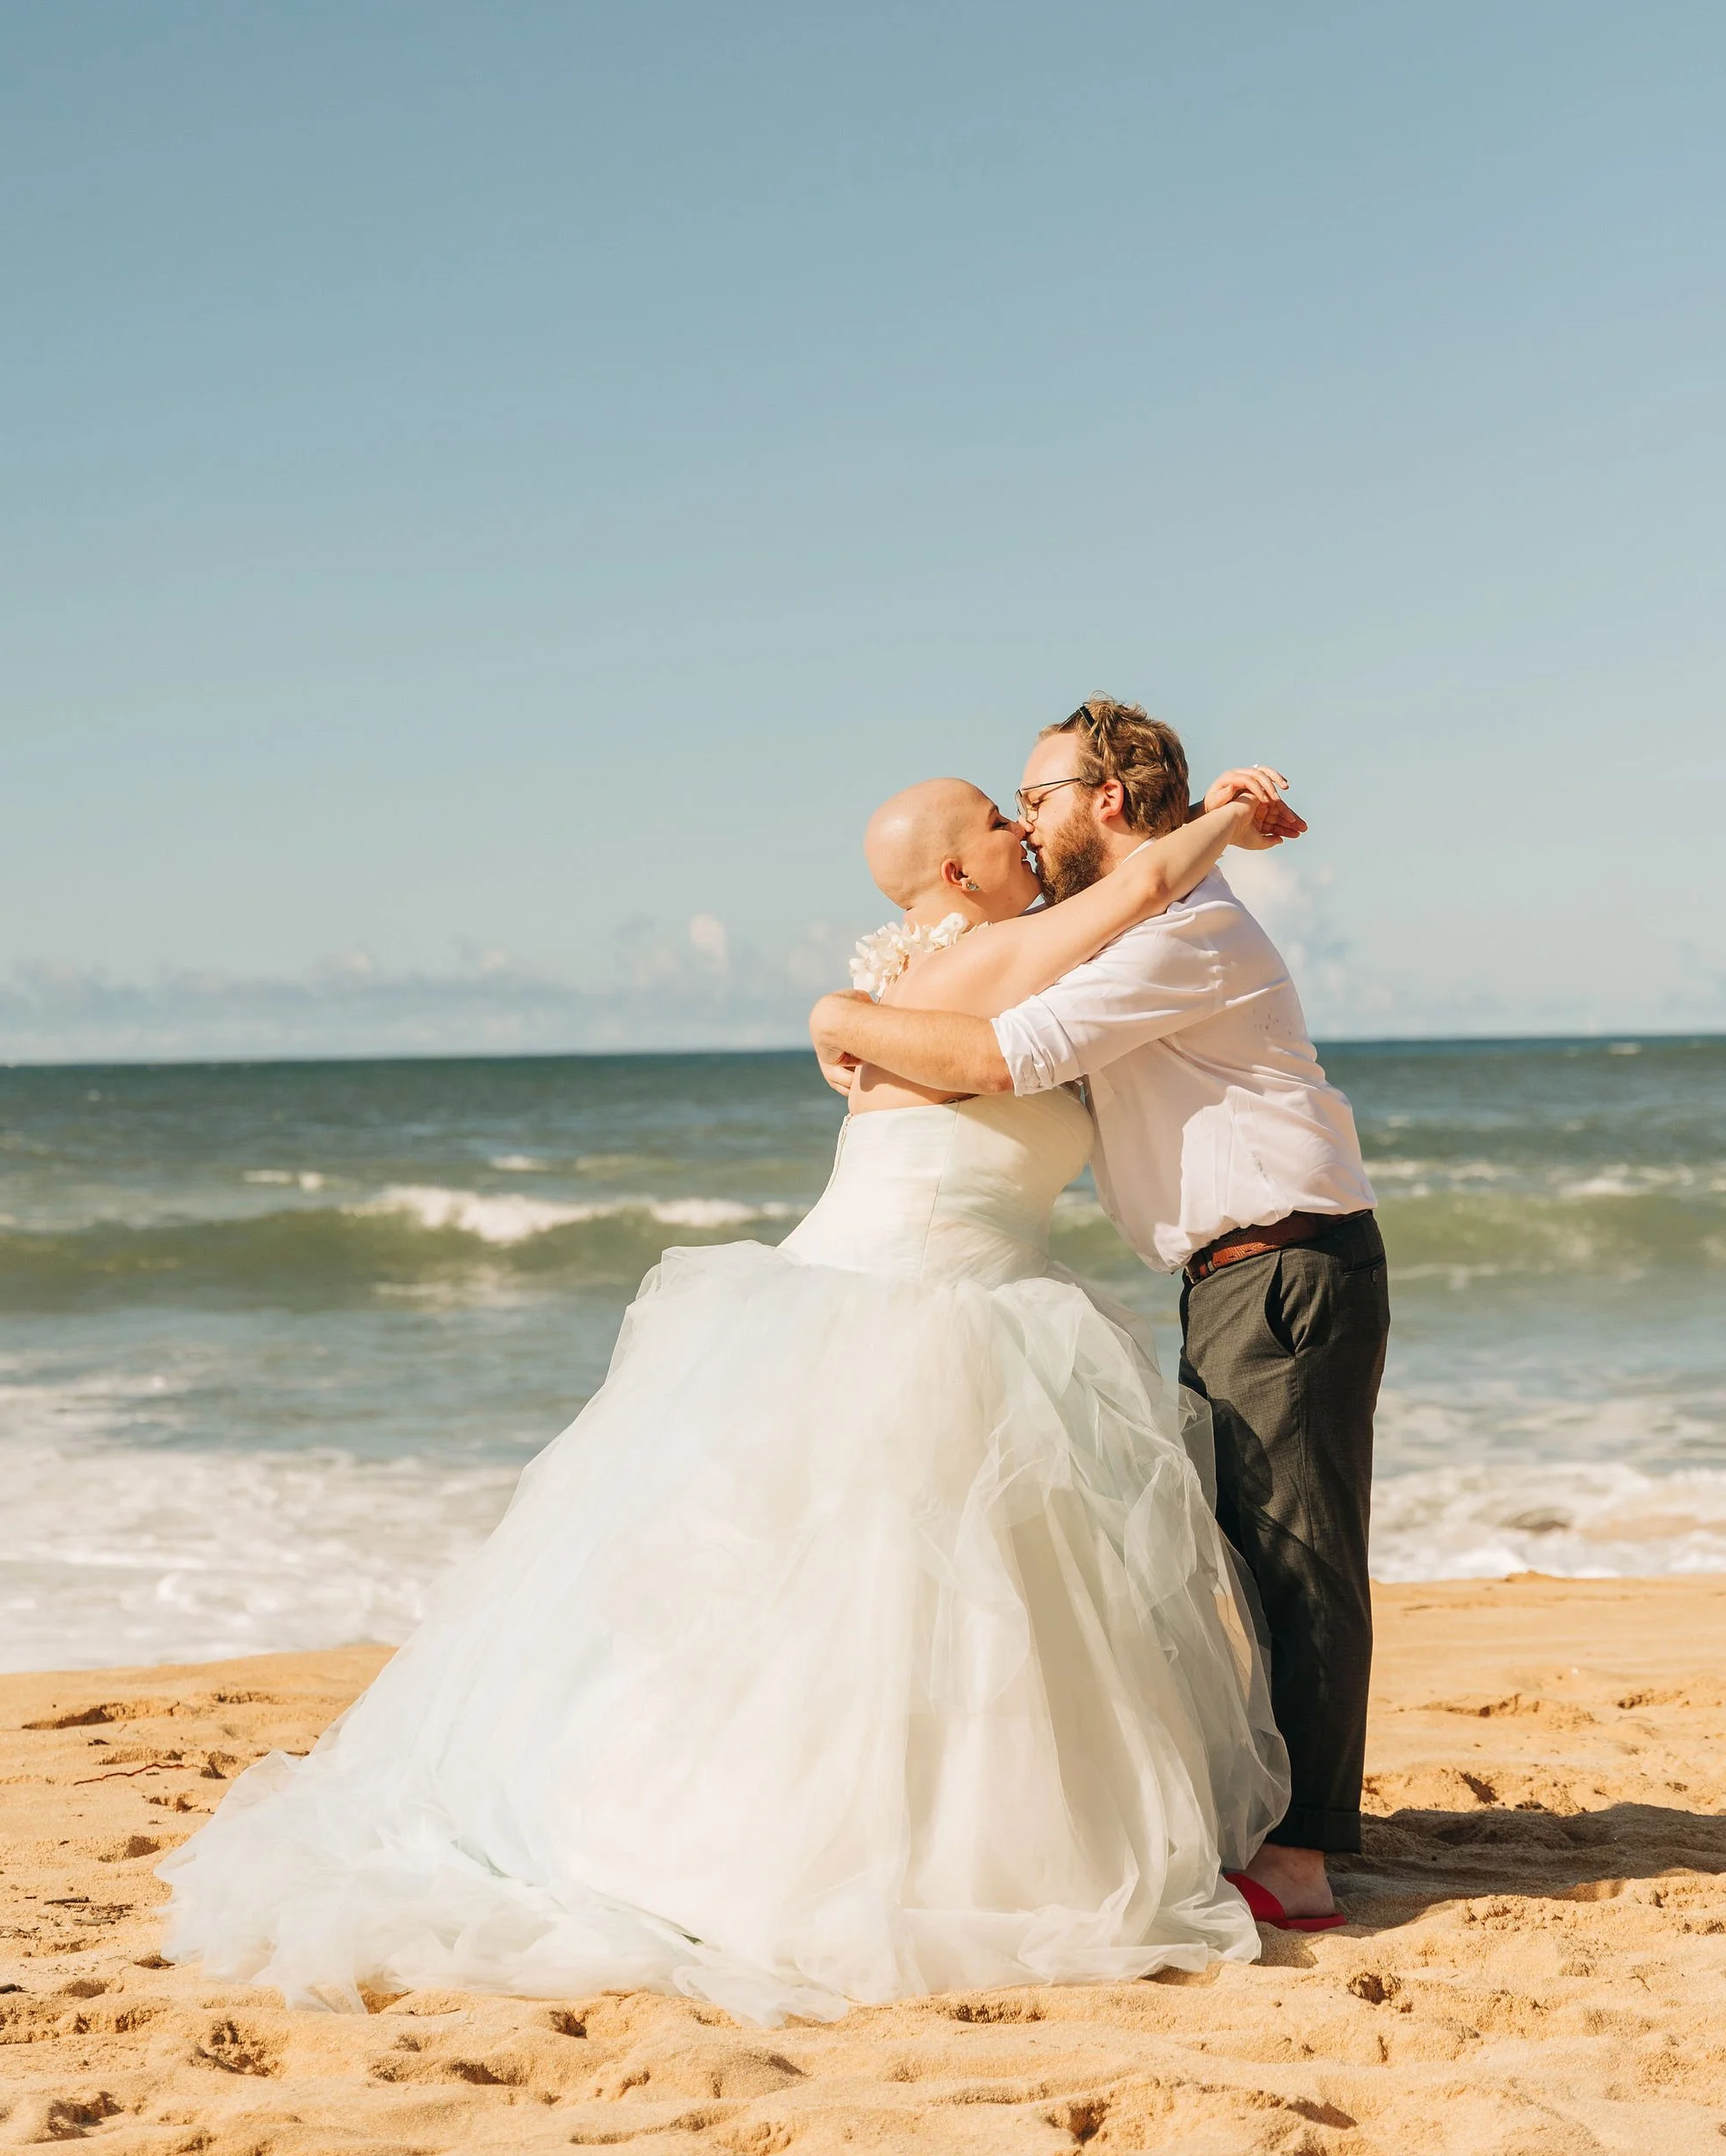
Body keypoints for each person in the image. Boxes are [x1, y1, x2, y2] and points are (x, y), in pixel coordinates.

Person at [160, 768, 1301, 2022]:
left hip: (915, 1298)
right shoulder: (985, 964)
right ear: (961, 875)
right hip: (916, 1311)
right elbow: (1139, 882)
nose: (1024, 827)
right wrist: (1233, 815)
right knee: (889, 1609)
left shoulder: (915, 985)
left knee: (887, 1615)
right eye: (998, 818)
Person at [810, 696, 1387, 1933]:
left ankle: (1299, 1866)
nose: (1027, 815)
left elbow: (1011, 1052)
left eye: (1039, 795)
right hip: (1238, 1273)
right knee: (1248, 1553)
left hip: (1286, 1263)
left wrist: (843, 1018)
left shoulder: (1181, 937)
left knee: (1300, 1559)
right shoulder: (1121, 929)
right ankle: (1278, 1825)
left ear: (1107, 802)